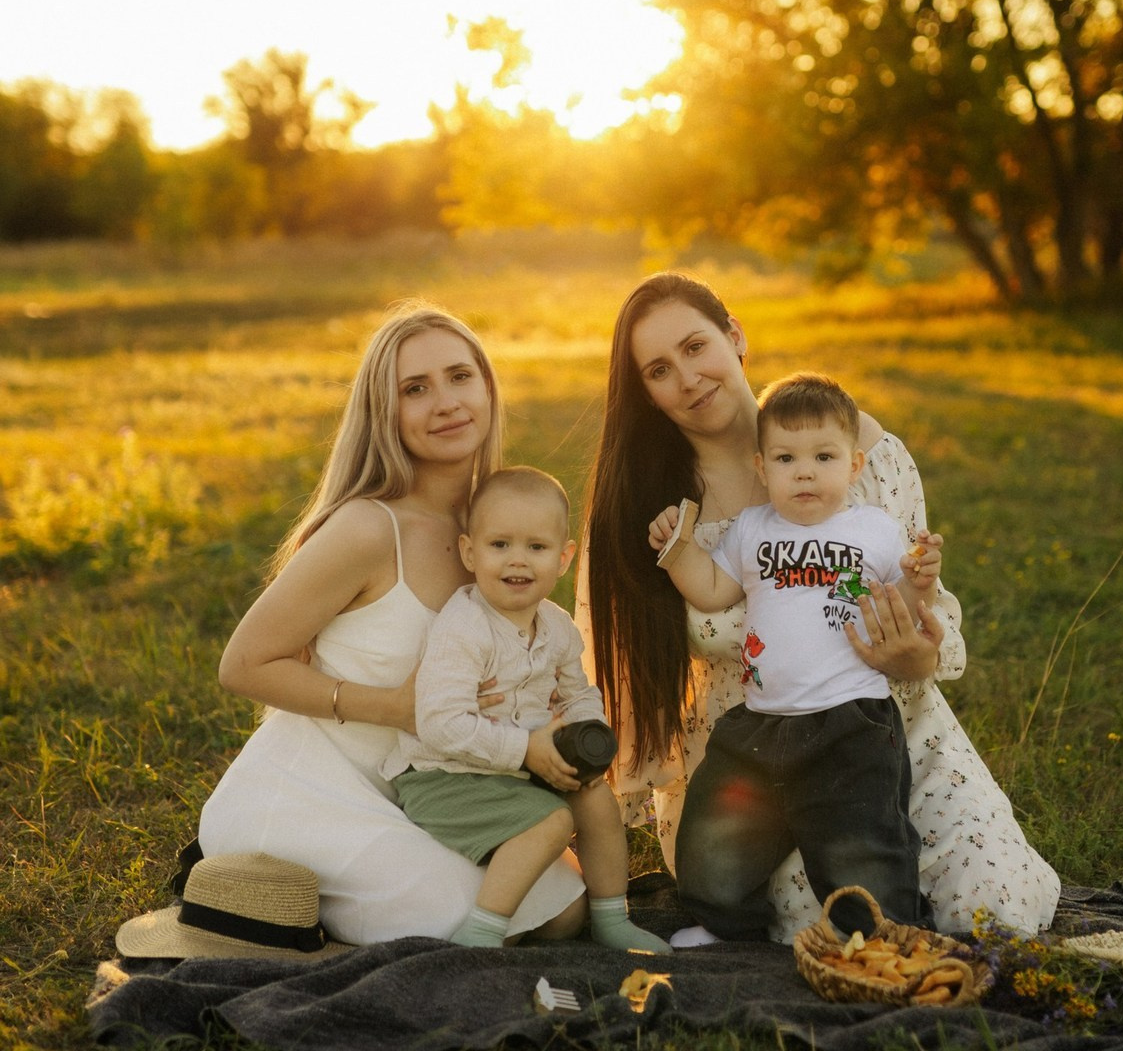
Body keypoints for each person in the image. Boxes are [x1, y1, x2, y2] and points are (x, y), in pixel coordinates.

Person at [577, 271, 1060, 940]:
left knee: (992, 912)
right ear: (646, 394)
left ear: (735, 333)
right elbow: (600, 670)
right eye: (659, 370)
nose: (687, 378)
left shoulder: (855, 445)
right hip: (750, 766)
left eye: (696, 347)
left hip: (890, 729)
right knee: (826, 927)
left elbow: (930, 609)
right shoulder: (657, 507)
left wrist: (918, 652)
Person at [199, 303, 586, 946]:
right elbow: (242, 665)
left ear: (487, 387)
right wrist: (399, 708)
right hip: (310, 792)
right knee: (490, 923)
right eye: (416, 388)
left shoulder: (497, 531)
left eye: (460, 376)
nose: (446, 402)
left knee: (564, 907)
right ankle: (268, 894)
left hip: (435, 791)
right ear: (387, 412)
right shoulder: (367, 528)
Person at [648, 372, 938, 940]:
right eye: (785, 458)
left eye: (823, 456)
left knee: (863, 846)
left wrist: (918, 581)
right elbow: (711, 589)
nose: (804, 471)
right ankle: (724, 925)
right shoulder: (753, 530)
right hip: (761, 722)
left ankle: (880, 938)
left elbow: (897, 610)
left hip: (851, 723)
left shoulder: (875, 531)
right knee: (715, 833)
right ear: (762, 468)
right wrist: (677, 547)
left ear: (854, 466)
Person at [384, 466, 670, 952]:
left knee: (596, 798)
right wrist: (524, 750)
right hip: (443, 776)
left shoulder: (557, 627)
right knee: (553, 821)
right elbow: (439, 724)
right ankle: (481, 934)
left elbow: (577, 693)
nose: (518, 561)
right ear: (469, 551)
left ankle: (611, 916)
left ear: (562, 559)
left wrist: (587, 734)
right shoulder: (466, 627)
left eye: (536, 548)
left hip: (517, 767)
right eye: (500, 545)